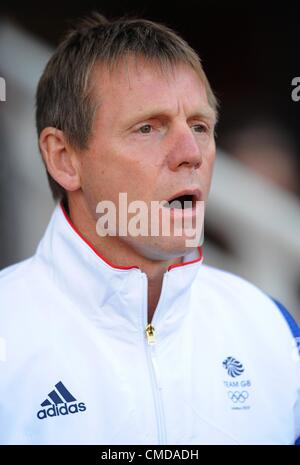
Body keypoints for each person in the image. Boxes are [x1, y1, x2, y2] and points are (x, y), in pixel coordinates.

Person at [0, 12, 299, 446]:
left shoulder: (270, 329)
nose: (190, 153)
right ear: (64, 157)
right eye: (148, 128)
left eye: (200, 126)